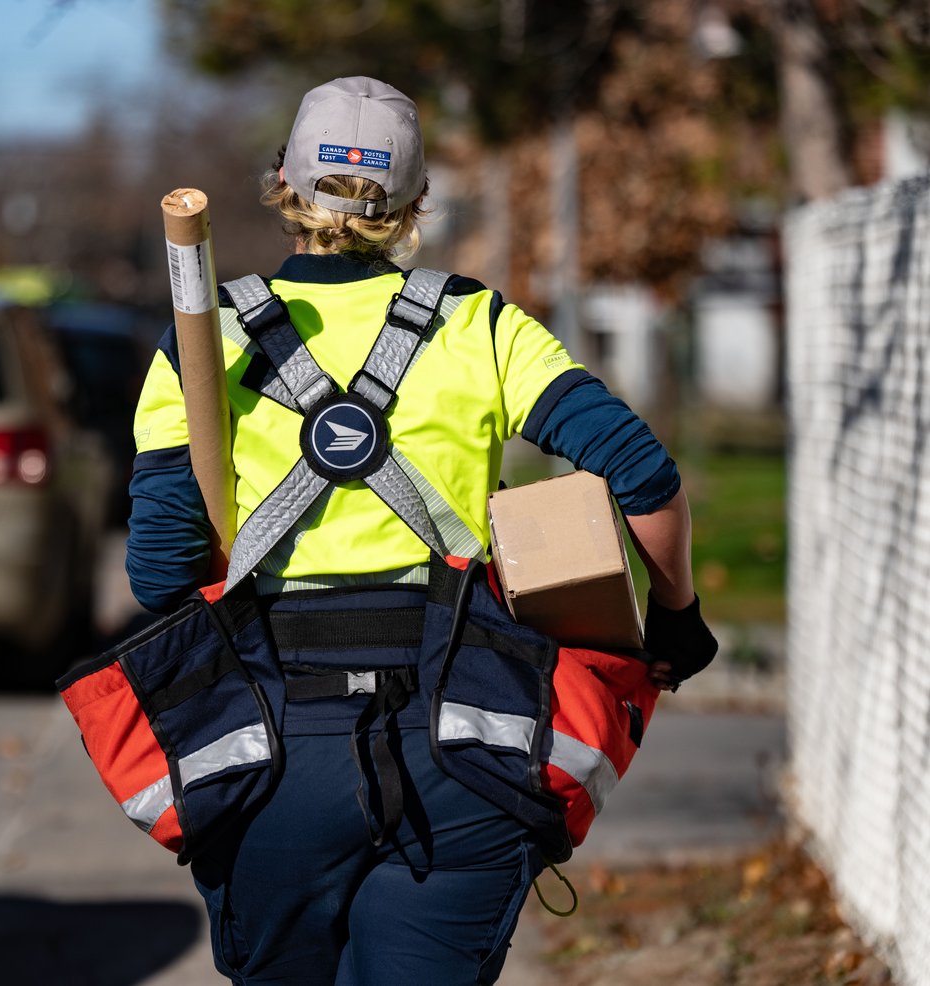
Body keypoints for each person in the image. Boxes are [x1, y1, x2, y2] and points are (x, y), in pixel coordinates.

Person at [124, 76, 717, 986]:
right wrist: (674, 616)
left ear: (282, 179)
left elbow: (161, 575)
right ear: (414, 204)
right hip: (462, 750)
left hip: (272, 754)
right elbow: (643, 476)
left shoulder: (204, 343)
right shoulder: (477, 325)